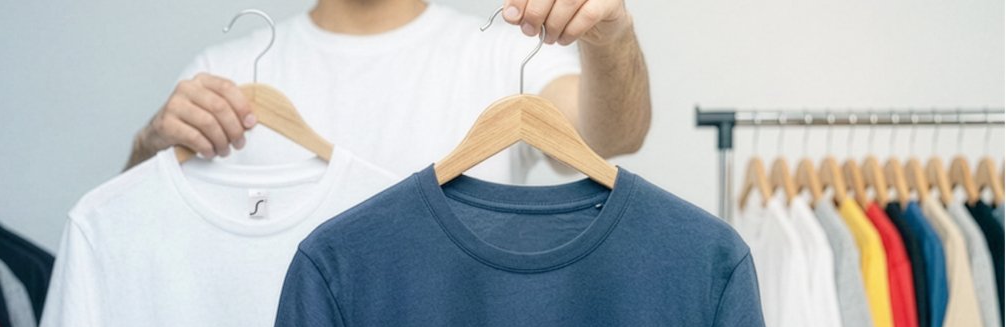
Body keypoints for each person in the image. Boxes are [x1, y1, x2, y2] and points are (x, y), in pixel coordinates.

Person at [127, 0, 651, 183]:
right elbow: (133, 231)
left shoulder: (501, 54)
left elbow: (610, 137)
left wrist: (612, 39)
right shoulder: (224, 72)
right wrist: (149, 148)